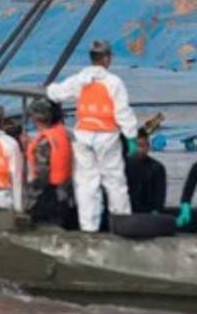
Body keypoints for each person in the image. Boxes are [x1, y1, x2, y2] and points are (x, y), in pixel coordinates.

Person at [46, 39, 137, 233]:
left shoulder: (80, 79)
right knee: (114, 182)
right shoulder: (114, 82)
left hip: (83, 136)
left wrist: (47, 88)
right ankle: (122, 225)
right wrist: (131, 136)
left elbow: (56, 93)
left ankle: (88, 228)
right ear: (105, 58)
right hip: (107, 137)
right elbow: (122, 111)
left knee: (86, 184)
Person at [26, 98, 75, 226]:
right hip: (65, 195)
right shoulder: (65, 134)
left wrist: (30, 202)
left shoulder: (43, 142)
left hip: (47, 198)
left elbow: (42, 174)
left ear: (35, 118)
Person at [125, 128, 167, 214]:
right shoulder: (122, 166)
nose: (139, 150)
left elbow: (160, 194)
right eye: (136, 146)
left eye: (142, 146)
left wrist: (156, 210)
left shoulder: (157, 167)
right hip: (126, 210)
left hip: (147, 212)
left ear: (148, 147)